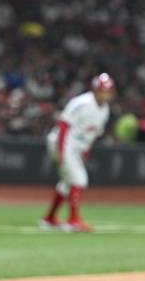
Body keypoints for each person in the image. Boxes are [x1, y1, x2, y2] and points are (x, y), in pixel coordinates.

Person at [40, 73, 115, 233]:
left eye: (108, 91)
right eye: (102, 91)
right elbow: (63, 125)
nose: (105, 95)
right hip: (62, 141)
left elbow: (92, 135)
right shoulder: (82, 103)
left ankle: (49, 218)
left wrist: (85, 152)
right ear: (95, 90)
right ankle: (73, 221)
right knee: (79, 179)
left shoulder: (105, 110)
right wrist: (61, 150)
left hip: (75, 146)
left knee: (67, 183)